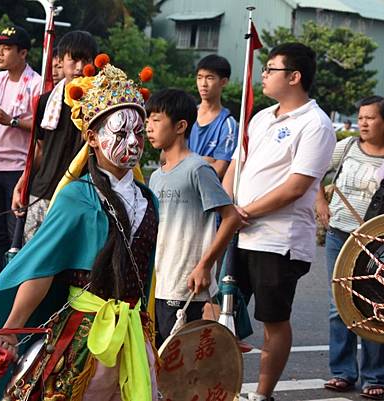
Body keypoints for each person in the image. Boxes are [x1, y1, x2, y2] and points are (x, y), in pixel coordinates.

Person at [0, 59, 158, 401]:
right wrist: (12, 325)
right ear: (92, 137)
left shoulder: (149, 199)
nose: (133, 142)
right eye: (121, 132)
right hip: (85, 338)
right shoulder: (78, 197)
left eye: (138, 132)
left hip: (135, 336)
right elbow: (42, 266)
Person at [221, 42, 336, 401]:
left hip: (277, 239)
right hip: (238, 232)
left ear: (295, 76)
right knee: (220, 311)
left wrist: (245, 212)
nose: (264, 76)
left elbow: (296, 186)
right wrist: (225, 209)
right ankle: (221, 386)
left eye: (271, 69)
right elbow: (236, 168)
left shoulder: (315, 124)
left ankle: (263, 393)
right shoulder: (260, 117)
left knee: (272, 318)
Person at [146, 89, 241, 346]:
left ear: (180, 126)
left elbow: (231, 217)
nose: (148, 127)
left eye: (156, 119)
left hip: (186, 286)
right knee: (157, 361)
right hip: (158, 284)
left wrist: (204, 266)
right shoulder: (155, 176)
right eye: (147, 120)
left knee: (182, 365)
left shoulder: (197, 168)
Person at [315, 95, 384, 400]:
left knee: (374, 305)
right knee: (338, 305)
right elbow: (315, 171)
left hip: (375, 243)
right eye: (361, 117)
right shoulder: (346, 148)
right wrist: (321, 202)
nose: (364, 123)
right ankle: (342, 372)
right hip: (340, 234)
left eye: (371, 117)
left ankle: (375, 375)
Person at [11, 30, 98, 242]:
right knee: (34, 263)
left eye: (85, 60)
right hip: (42, 192)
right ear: (60, 60)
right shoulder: (45, 101)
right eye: (73, 59)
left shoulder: (100, 104)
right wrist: (23, 183)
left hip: (81, 195)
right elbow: (39, 149)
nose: (79, 68)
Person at [0, 26, 42, 271]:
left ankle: (16, 289)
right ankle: (1, 283)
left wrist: (13, 120)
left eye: (6, 48)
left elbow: (41, 127)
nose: (0, 53)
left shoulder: (36, 84)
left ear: (23, 53)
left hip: (18, 167)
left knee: (15, 235)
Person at [189, 55, 238, 179]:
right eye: (199, 78)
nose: (203, 84)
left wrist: (184, 161)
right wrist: (205, 161)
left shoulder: (228, 124)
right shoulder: (186, 114)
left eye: (210, 78)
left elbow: (219, 169)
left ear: (224, 82)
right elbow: (166, 157)